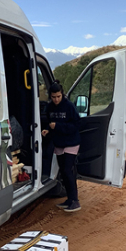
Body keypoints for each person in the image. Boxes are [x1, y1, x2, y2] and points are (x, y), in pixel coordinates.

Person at [42, 82, 81, 212]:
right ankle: (69, 199)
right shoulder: (49, 108)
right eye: (54, 97)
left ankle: (75, 201)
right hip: (58, 143)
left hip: (71, 142)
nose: (56, 99)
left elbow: (76, 125)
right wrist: (47, 130)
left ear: (62, 94)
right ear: (50, 96)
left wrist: (57, 126)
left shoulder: (69, 106)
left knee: (67, 170)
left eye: (58, 96)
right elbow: (49, 123)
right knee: (63, 172)